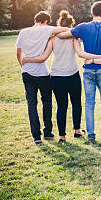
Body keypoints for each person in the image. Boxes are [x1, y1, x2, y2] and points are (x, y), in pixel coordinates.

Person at [21, 10, 85, 142]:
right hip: (73, 74)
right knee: (76, 103)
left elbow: (44, 57)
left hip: (56, 76)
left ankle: (62, 136)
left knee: (61, 105)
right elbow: (80, 52)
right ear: (71, 25)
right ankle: (77, 130)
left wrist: (27, 59)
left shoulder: (52, 39)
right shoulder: (73, 37)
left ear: (59, 24)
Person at [57, 1, 101, 144]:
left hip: (88, 70)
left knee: (89, 103)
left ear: (91, 13)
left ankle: (90, 135)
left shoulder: (82, 27)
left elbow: (62, 34)